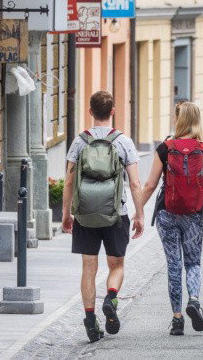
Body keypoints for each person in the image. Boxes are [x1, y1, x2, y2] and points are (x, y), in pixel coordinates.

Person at [62, 90, 145, 343]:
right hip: (115, 213)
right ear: (112, 111)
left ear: (90, 112)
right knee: (116, 265)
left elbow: (68, 181)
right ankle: (110, 297)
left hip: (85, 215)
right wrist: (139, 214)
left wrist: (67, 214)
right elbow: (135, 183)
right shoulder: (124, 142)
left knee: (89, 267)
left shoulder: (80, 142)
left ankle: (89, 320)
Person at [141, 101, 203, 336]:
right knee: (193, 262)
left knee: (174, 265)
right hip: (193, 216)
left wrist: (138, 210)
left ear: (178, 120)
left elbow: (150, 184)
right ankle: (194, 300)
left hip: (167, 214)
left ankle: (177, 319)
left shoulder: (165, 148)